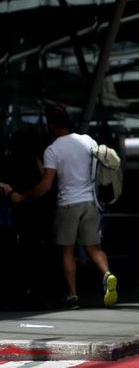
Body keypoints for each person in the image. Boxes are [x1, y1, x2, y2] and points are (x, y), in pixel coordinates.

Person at [1, 105, 118, 308]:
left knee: (67, 251)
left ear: (51, 126)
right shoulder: (87, 140)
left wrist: (23, 196)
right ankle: (107, 274)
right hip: (90, 203)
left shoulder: (53, 150)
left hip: (68, 205)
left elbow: (46, 185)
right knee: (92, 247)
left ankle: (73, 295)